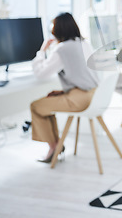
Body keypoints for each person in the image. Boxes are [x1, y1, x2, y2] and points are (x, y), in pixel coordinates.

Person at [31, 12, 98, 163]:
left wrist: (42, 51)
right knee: (49, 100)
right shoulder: (84, 43)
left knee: (36, 107)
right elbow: (83, 75)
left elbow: (40, 73)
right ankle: (56, 145)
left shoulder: (62, 49)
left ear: (58, 30)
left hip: (80, 100)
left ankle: (54, 146)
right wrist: (62, 91)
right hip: (93, 96)